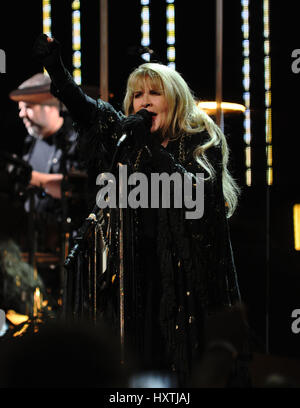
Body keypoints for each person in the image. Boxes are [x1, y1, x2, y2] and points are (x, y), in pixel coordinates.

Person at [31, 33, 244, 386]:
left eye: (154, 93)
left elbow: (193, 194)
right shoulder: (128, 139)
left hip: (185, 289)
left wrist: (148, 145)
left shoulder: (200, 139)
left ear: (174, 99)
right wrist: (57, 69)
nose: (144, 102)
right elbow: (88, 110)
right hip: (135, 278)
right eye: (137, 95)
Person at [9, 73, 84, 306]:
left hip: (64, 247)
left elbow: (75, 189)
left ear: (51, 105)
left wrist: (30, 177)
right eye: (20, 107)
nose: (21, 113)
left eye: (28, 106)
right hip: (32, 243)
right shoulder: (31, 141)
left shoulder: (75, 138)